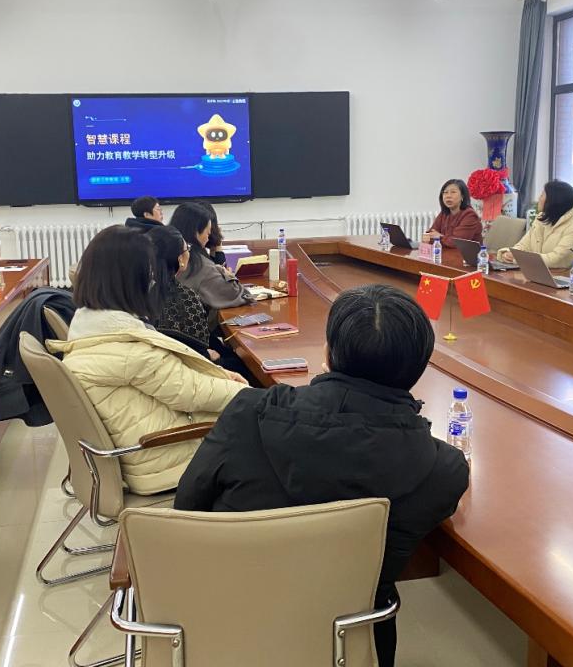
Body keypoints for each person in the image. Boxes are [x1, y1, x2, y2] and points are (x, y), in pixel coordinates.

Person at [175, 284, 470, 667]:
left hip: (227, 625)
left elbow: (187, 508)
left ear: (328, 354)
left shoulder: (247, 413)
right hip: (347, 641)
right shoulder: (443, 470)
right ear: (418, 370)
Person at [48, 226, 247, 495]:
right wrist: (251, 393)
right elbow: (191, 392)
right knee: (272, 422)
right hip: (168, 464)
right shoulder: (127, 348)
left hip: (147, 451)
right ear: (132, 281)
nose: (153, 281)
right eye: (148, 274)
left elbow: (179, 384)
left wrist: (222, 378)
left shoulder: (90, 325)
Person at [169, 202, 253, 310]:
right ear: (196, 232)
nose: (208, 238)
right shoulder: (199, 265)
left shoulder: (165, 253)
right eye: (207, 234)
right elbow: (238, 295)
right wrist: (229, 275)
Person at [498, 180, 573, 268]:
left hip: (571, 276)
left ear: (553, 201)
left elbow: (554, 260)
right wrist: (509, 253)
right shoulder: (542, 219)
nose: (539, 198)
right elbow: (524, 245)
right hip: (542, 272)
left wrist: (518, 259)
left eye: (542, 195)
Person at [150, 225, 212, 348]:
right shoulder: (187, 297)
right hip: (184, 357)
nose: (189, 252)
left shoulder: (137, 291)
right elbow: (200, 346)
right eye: (187, 248)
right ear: (180, 259)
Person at [423, 179, 483, 247]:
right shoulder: (444, 213)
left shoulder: (470, 215)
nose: (448, 196)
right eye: (445, 192)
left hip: (469, 253)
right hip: (447, 251)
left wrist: (439, 237)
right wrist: (429, 236)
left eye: (453, 192)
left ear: (462, 196)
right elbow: (431, 234)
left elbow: (457, 242)